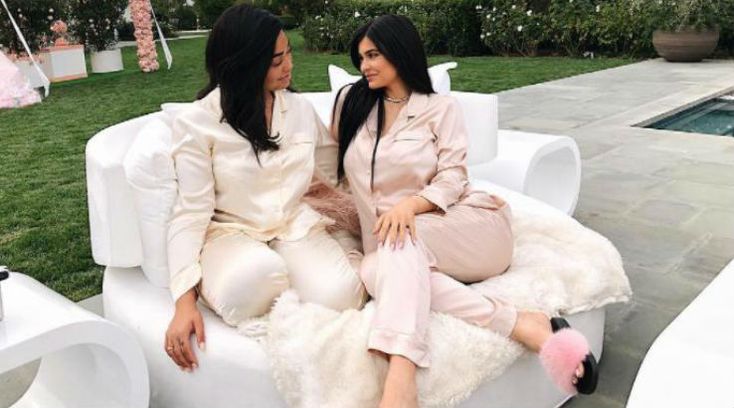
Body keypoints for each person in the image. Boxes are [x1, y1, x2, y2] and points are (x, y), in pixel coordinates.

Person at [332, 14, 598, 407]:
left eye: (373, 55)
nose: (364, 66)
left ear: (399, 52)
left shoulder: (440, 109)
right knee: (375, 271)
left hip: (464, 227)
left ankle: (401, 379)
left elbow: (454, 176)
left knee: (399, 243)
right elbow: (328, 169)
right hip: (390, 244)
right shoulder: (351, 104)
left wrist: (411, 204)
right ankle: (523, 323)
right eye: (360, 58)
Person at [164, 4, 366, 372]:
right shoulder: (197, 123)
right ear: (244, 63)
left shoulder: (299, 110)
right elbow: (190, 212)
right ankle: (259, 277)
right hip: (231, 233)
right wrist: (183, 302)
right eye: (276, 61)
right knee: (256, 277)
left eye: (289, 53)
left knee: (342, 296)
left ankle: (293, 274)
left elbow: (332, 172)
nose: (289, 66)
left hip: (293, 226)